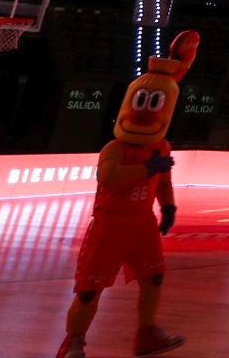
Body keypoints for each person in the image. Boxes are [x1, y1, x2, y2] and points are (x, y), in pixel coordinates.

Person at [55, 31, 199, 358]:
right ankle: (73, 342)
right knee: (90, 290)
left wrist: (169, 207)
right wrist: (147, 168)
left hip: (142, 222)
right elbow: (110, 177)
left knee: (154, 277)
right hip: (110, 222)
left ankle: (147, 333)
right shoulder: (114, 148)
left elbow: (163, 181)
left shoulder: (160, 147)